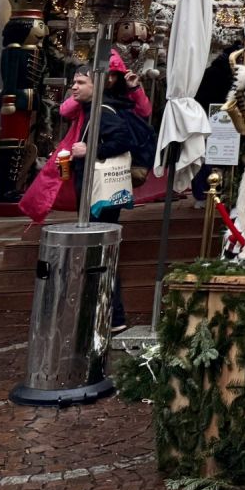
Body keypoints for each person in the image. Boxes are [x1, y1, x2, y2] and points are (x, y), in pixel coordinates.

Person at [63, 68, 153, 332]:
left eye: (81, 82)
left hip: (99, 192)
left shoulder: (102, 112)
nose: (74, 87)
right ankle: (107, 315)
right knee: (98, 251)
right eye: (74, 82)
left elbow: (122, 140)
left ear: (98, 85)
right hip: (96, 191)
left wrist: (90, 150)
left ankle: (111, 316)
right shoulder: (94, 110)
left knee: (99, 251)